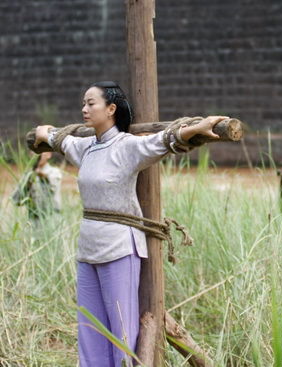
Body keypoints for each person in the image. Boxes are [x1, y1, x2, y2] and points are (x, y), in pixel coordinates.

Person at [33, 81, 226, 367]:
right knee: (89, 329)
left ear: (111, 109)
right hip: (87, 248)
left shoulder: (126, 146)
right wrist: (44, 132)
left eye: (90, 103)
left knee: (121, 331)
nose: (84, 109)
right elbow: (58, 138)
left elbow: (161, 141)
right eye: (84, 103)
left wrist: (194, 129)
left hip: (120, 247)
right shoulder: (86, 147)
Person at [11, 152, 62, 220]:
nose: (37, 154)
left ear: (48, 154)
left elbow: (51, 185)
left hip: (52, 218)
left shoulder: (54, 172)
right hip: (34, 220)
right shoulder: (27, 175)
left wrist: (39, 174)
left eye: (40, 151)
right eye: (33, 151)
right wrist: (27, 184)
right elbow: (16, 200)